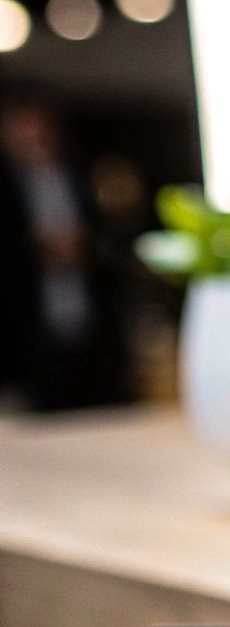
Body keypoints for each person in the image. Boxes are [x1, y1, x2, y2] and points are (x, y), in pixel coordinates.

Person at [0, 94, 134, 411]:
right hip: (26, 329)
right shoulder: (6, 188)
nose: (34, 136)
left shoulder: (82, 175)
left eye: (40, 126)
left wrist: (84, 247)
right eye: (23, 127)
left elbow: (112, 241)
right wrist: (34, 251)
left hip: (90, 326)